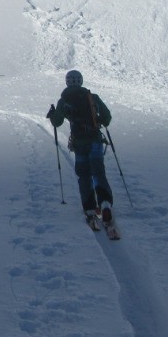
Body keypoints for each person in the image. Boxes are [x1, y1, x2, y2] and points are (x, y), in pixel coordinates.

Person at [46, 70, 115, 228]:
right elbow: (107, 118)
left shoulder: (64, 100)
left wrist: (52, 115)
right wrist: (98, 120)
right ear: (81, 81)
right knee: (98, 173)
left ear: (67, 82)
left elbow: (57, 123)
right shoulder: (92, 97)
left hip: (79, 144)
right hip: (95, 141)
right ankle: (105, 204)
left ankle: (90, 209)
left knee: (84, 175)